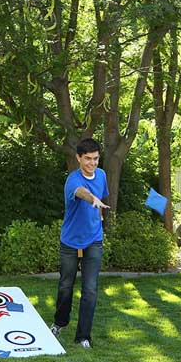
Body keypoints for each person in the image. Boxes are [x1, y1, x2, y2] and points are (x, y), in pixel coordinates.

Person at [50, 138, 109, 349]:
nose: (92, 163)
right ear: (78, 158)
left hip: (94, 240)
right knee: (66, 285)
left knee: (90, 290)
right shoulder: (72, 180)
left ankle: (83, 336)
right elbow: (81, 193)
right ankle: (59, 323)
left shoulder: (101, 175)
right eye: (88, 159)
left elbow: (102, 201)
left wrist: (100, 217)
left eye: (95, 159)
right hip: (70, 241)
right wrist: (92, 198)